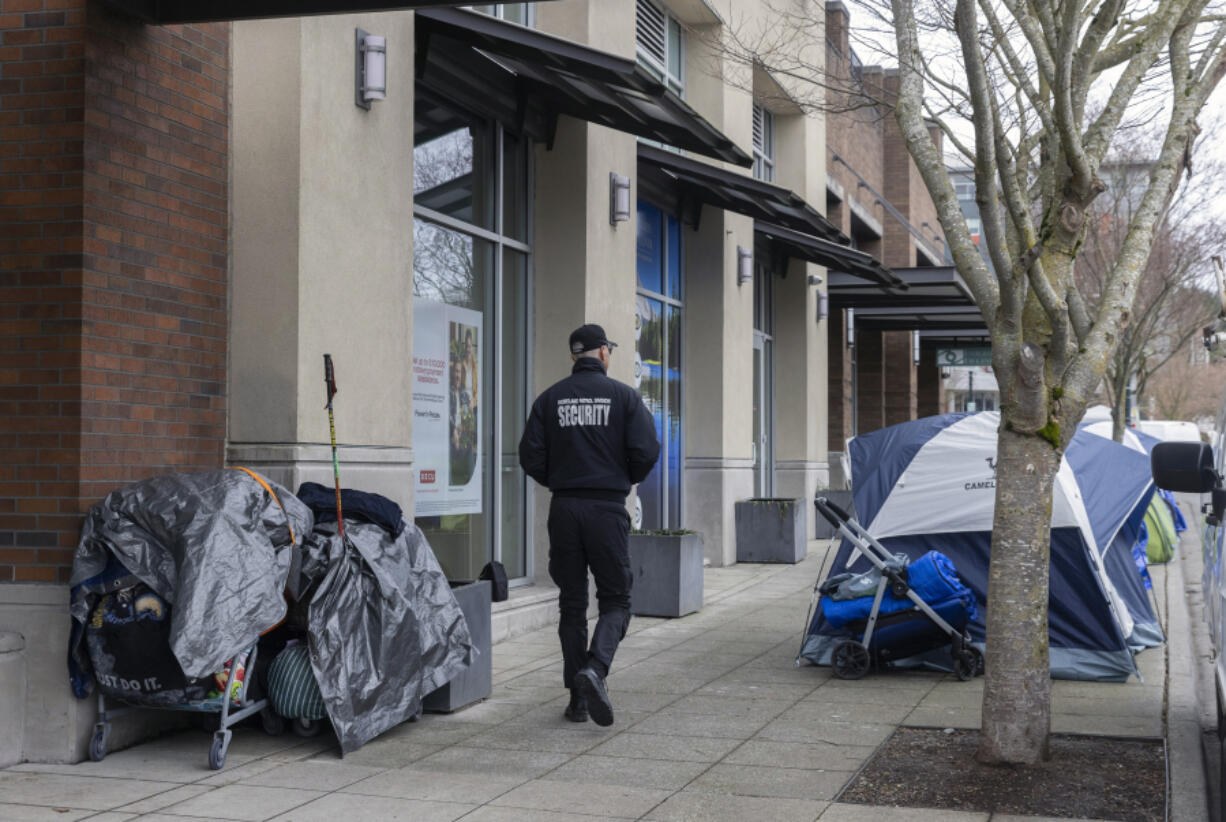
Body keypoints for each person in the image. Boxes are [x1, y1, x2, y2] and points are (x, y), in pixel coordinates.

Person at [518, 323, 660, 727]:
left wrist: (561, 481)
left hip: (564, 508)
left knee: (572, 603)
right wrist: (621, 477)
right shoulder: (625, 398)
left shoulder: (549, 400)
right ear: (602, 353)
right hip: (607, 508)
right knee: (616, 599)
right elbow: (647, 450)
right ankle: (595, 670)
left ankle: (577, 700)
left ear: (573, 356)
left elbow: (531, 456)